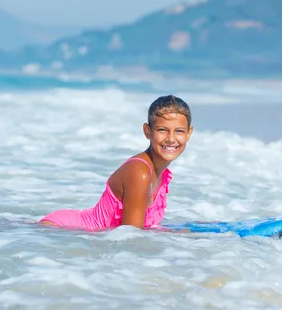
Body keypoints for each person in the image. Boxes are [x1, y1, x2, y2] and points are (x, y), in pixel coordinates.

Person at [39, 94, 193, 231]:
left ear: (189, 133)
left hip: (81, 234)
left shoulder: (162, 172)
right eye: (162, 130)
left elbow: (143, 229)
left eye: (179, 131)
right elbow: (131, 237)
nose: (171, 139)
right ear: (147, 131)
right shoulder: (140, 172)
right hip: (64, 229)